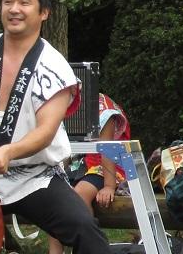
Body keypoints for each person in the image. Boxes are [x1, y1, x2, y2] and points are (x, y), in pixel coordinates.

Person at [0, 0, 108, 253]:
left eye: (24, 2)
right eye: (8, 1)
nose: (14, 9)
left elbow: (45, 133)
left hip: (33, 178)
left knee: (84, 228)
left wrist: (8, 152)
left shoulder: (54, 68)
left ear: (44, 12)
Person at [50, 93, 131, 254]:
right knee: (53, 197)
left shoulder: (103, 110)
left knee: (81, 193)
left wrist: (109, 186)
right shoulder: (60, 102)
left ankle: (88, 248)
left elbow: (107, 150)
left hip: (111, 166)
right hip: (82, 164)